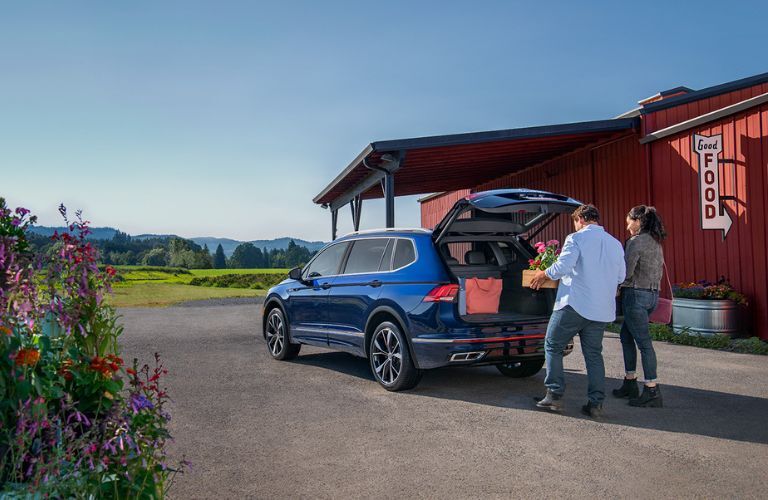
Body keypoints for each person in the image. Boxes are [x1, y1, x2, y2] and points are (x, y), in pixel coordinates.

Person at [530, 204, 625, 418]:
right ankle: (596, 404)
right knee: (593, 355)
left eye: (575, 222)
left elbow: (563, 267)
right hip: (601, 309)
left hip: (575, 304)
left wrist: (543, 273)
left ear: (580, 219)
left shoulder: (576, 238)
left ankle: (554, 396)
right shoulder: (615, 243)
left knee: (552, 345)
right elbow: (621, 277)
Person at [612, 205, 666, 408]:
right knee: (626, 336)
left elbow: (626, 272)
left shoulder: (635, 242)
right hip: (652, 295)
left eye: (629, 222)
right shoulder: (655, 242)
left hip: (635, 295)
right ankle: (630, 382)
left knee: (644, 344)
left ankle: (652, 389)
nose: (627, 227)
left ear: (638, 221)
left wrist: (615, 284)